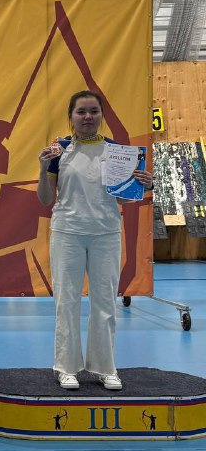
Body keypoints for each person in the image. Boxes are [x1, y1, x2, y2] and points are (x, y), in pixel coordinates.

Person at [37, 90, 153, 390]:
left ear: (101, 115)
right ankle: (66, 367)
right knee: (67, 302)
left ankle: (105, 368)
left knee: (105, 302)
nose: (88, 117)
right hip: (68, 233)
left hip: (106, 233)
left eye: (93, 111)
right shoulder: (58, 152)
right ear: (71, 116)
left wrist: (143, 185)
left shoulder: (117, 152)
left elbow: (123, 199)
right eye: (81, 112)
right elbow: (46, 198)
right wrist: (42, 168)